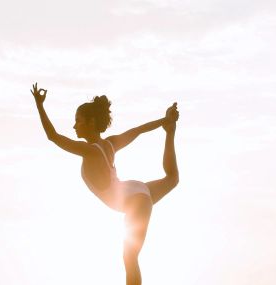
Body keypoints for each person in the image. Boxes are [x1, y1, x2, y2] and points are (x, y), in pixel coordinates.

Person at [30, 82, 179, 285]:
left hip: (134, 199)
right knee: (172, 178)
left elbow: (53, 136)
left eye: (78, 121)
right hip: (135, 190)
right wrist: (165, 121)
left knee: (129, 257)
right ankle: (171, 132)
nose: (74, 126)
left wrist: (39, 105)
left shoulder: (89, 150)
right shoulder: (110, 144)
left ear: (91, 122)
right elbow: (138, 130)